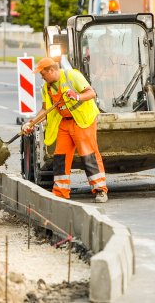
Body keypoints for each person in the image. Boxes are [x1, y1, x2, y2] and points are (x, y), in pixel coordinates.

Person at [23, 58, 108, 203]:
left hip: (82, 120)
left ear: (51, 70)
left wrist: (76, 96)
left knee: (89, 155)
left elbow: (91, 93)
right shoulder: (46, 88)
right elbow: (45, 109)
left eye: (43, 74)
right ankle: (60, 192)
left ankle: (100, 190)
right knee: (60, 157)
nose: (42, 77)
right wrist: (31, 123)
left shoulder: (71, 76)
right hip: (65, 122)